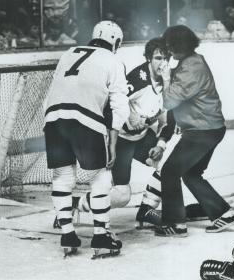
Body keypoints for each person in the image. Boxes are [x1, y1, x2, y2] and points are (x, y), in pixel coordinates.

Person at [137, 25, 234, 237]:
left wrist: (164, 78)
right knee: (191, 173)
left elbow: (170, 100)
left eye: (171, 49)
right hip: (208, 129)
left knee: (170, 172)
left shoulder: (192, 67)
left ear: (179, 47)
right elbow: (179, 80)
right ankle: (223, 213)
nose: (169, 53)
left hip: (202, 131)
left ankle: (176, 224)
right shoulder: (191, 61)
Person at [44, 20, 129, 258]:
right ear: (116, 42)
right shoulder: (113, 60)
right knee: (101, 177)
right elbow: (119, 105)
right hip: (86, 119)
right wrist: (112, 140)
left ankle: (68, 234)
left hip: (53, 118)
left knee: (62, 177)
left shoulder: (68, 53)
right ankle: (101, 237)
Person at [72, 37, 176, 215]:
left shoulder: (169, 82)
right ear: (149, 59)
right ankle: (75, 204)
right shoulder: (137, 79)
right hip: (120, 141)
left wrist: (160, 145)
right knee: (121, 196)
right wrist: (127, 115)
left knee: (169, 166)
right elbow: (109, 105)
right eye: (158, 58)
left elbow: (169, 118)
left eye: (167, 58)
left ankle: (145, 211)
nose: (163, 63)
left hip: (142, 138)